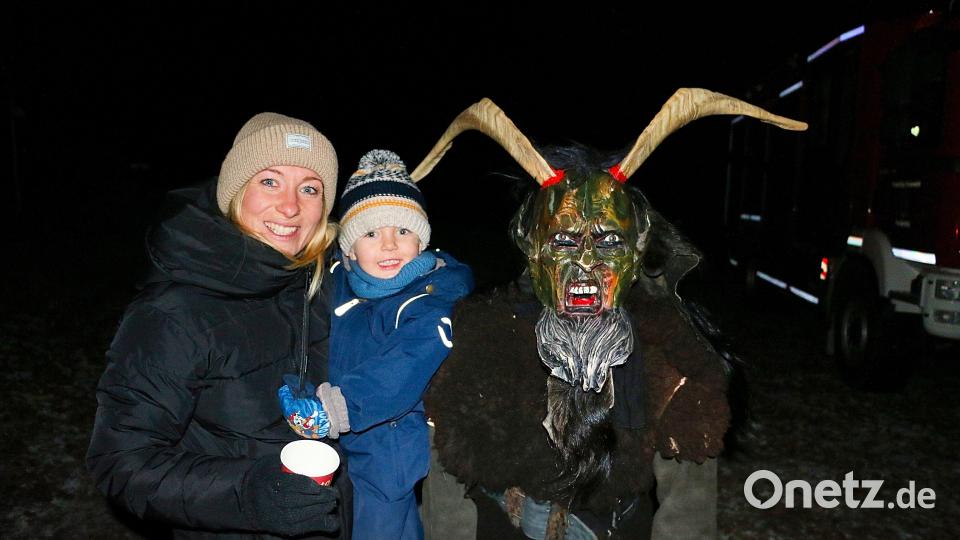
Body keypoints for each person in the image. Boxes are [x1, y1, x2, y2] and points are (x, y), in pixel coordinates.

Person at [86, 112, 349, 539]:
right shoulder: (176, 311)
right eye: (269, 181)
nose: (290, 205)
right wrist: (247, 495)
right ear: (235, 191)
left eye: (310, 188)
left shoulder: (319, 283)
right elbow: (122, 461)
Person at [309, 150, 473, 540]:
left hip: (390, 448)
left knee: (381, 529)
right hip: (337, 436)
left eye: (403, 231)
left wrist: (339, 405)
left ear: (422, 240)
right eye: (370, 234)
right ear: (349, 248)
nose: (388, 245)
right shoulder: (337, 283)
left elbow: (405, 365)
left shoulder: (430, 301)